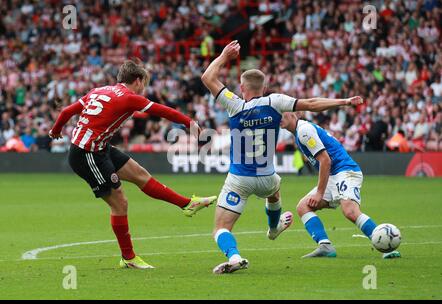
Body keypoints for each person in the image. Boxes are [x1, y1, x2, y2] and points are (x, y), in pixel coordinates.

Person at [201, 40, 365, 274]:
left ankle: (235, 256)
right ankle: (273, 228)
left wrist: (225, 56)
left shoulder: (233, 104)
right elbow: (311, 104)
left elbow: (207, 77)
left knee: (220, 228)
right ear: (264, 86)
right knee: (274, 191)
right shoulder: (275, 102)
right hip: (267, 176)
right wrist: (344, 102)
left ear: (242, 87)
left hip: (239, 178)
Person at [49, 60, 217, 269]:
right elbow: (163, 111)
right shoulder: (129, 98)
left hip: (99, 147)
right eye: (144, 83)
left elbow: (65, 112)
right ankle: (128, 258)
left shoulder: (99, 90)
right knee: (120, 202)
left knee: (140, 174)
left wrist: (55, 131)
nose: (143, 88)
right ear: (137, 80)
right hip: (87, 154)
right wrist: (189, 122)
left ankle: (187, 204)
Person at [280, 112, 401, 259]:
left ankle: (387, 248)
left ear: (293, 114)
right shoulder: (300, 132)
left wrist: (319, 193)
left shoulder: (304, 131)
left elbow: (326, 161)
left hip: (345, 171)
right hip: (333, 175)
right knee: (303, 206)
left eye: (282, 114)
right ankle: (325, 246)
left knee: (349, 210)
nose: (278, 118)